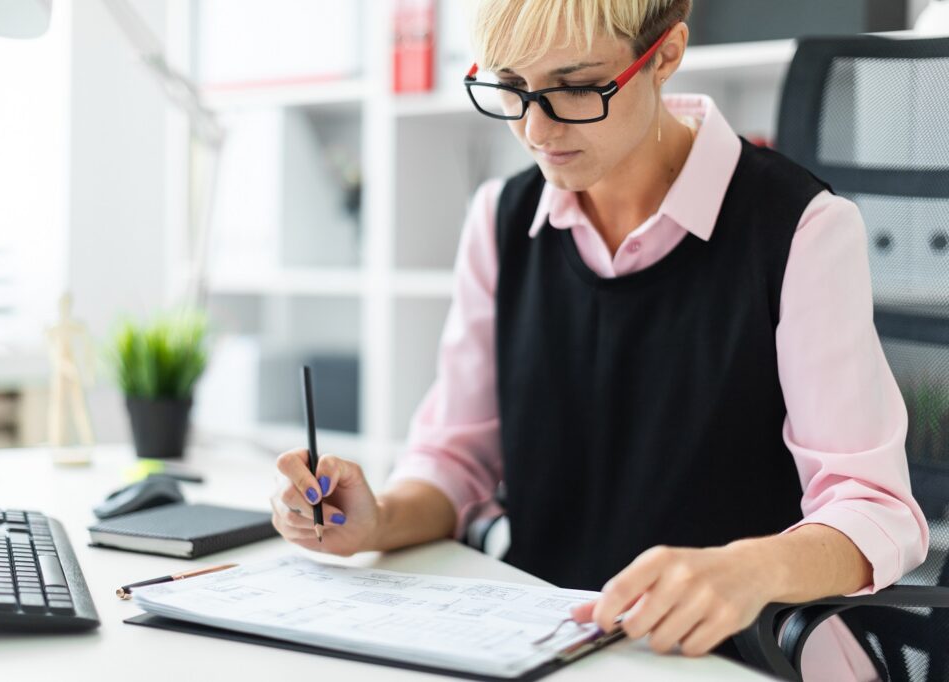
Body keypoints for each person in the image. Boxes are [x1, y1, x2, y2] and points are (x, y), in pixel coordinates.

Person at [270, 1, 929, 679]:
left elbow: (875, 508)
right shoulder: (501, 218)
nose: (535, 126)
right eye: (511, 85)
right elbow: (457, 458)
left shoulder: (800, 228)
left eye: (576, 86)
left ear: (666, 54)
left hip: (740, 651)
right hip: (543, 641)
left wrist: (748, 569)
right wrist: (377, 519)